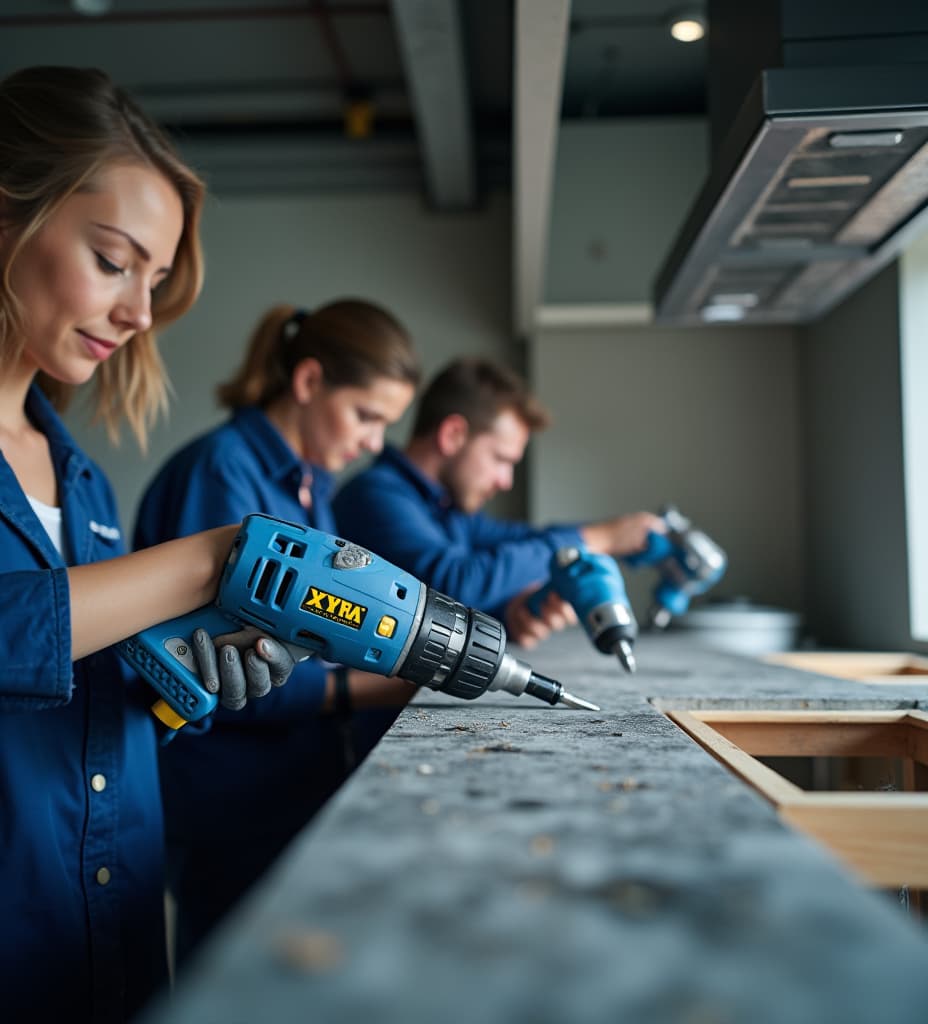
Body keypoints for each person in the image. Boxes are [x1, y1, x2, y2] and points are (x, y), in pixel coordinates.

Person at [0, 66, 297, 1024]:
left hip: (110, 935)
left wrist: (178, 680)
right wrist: (216, 560)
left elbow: (75, 700)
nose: (138, 313)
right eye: (113, 259)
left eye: (156, 280)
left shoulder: (78, 475)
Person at [133, 299, 420, 966]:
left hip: (288, 785)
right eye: (367, 415)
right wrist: (382, 687)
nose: (376, 442)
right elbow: (238, 670)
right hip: (228, 801)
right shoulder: (221, 472)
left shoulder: (309, 484)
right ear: (310, 381)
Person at [333, 357, 665, 647]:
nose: (505, 481)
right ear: (453, 435)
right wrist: (599, 539)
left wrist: (509, 614)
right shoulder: (375, 495)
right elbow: (454, 583)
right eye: (500, 459)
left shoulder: (447, 507)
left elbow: (516, 540)